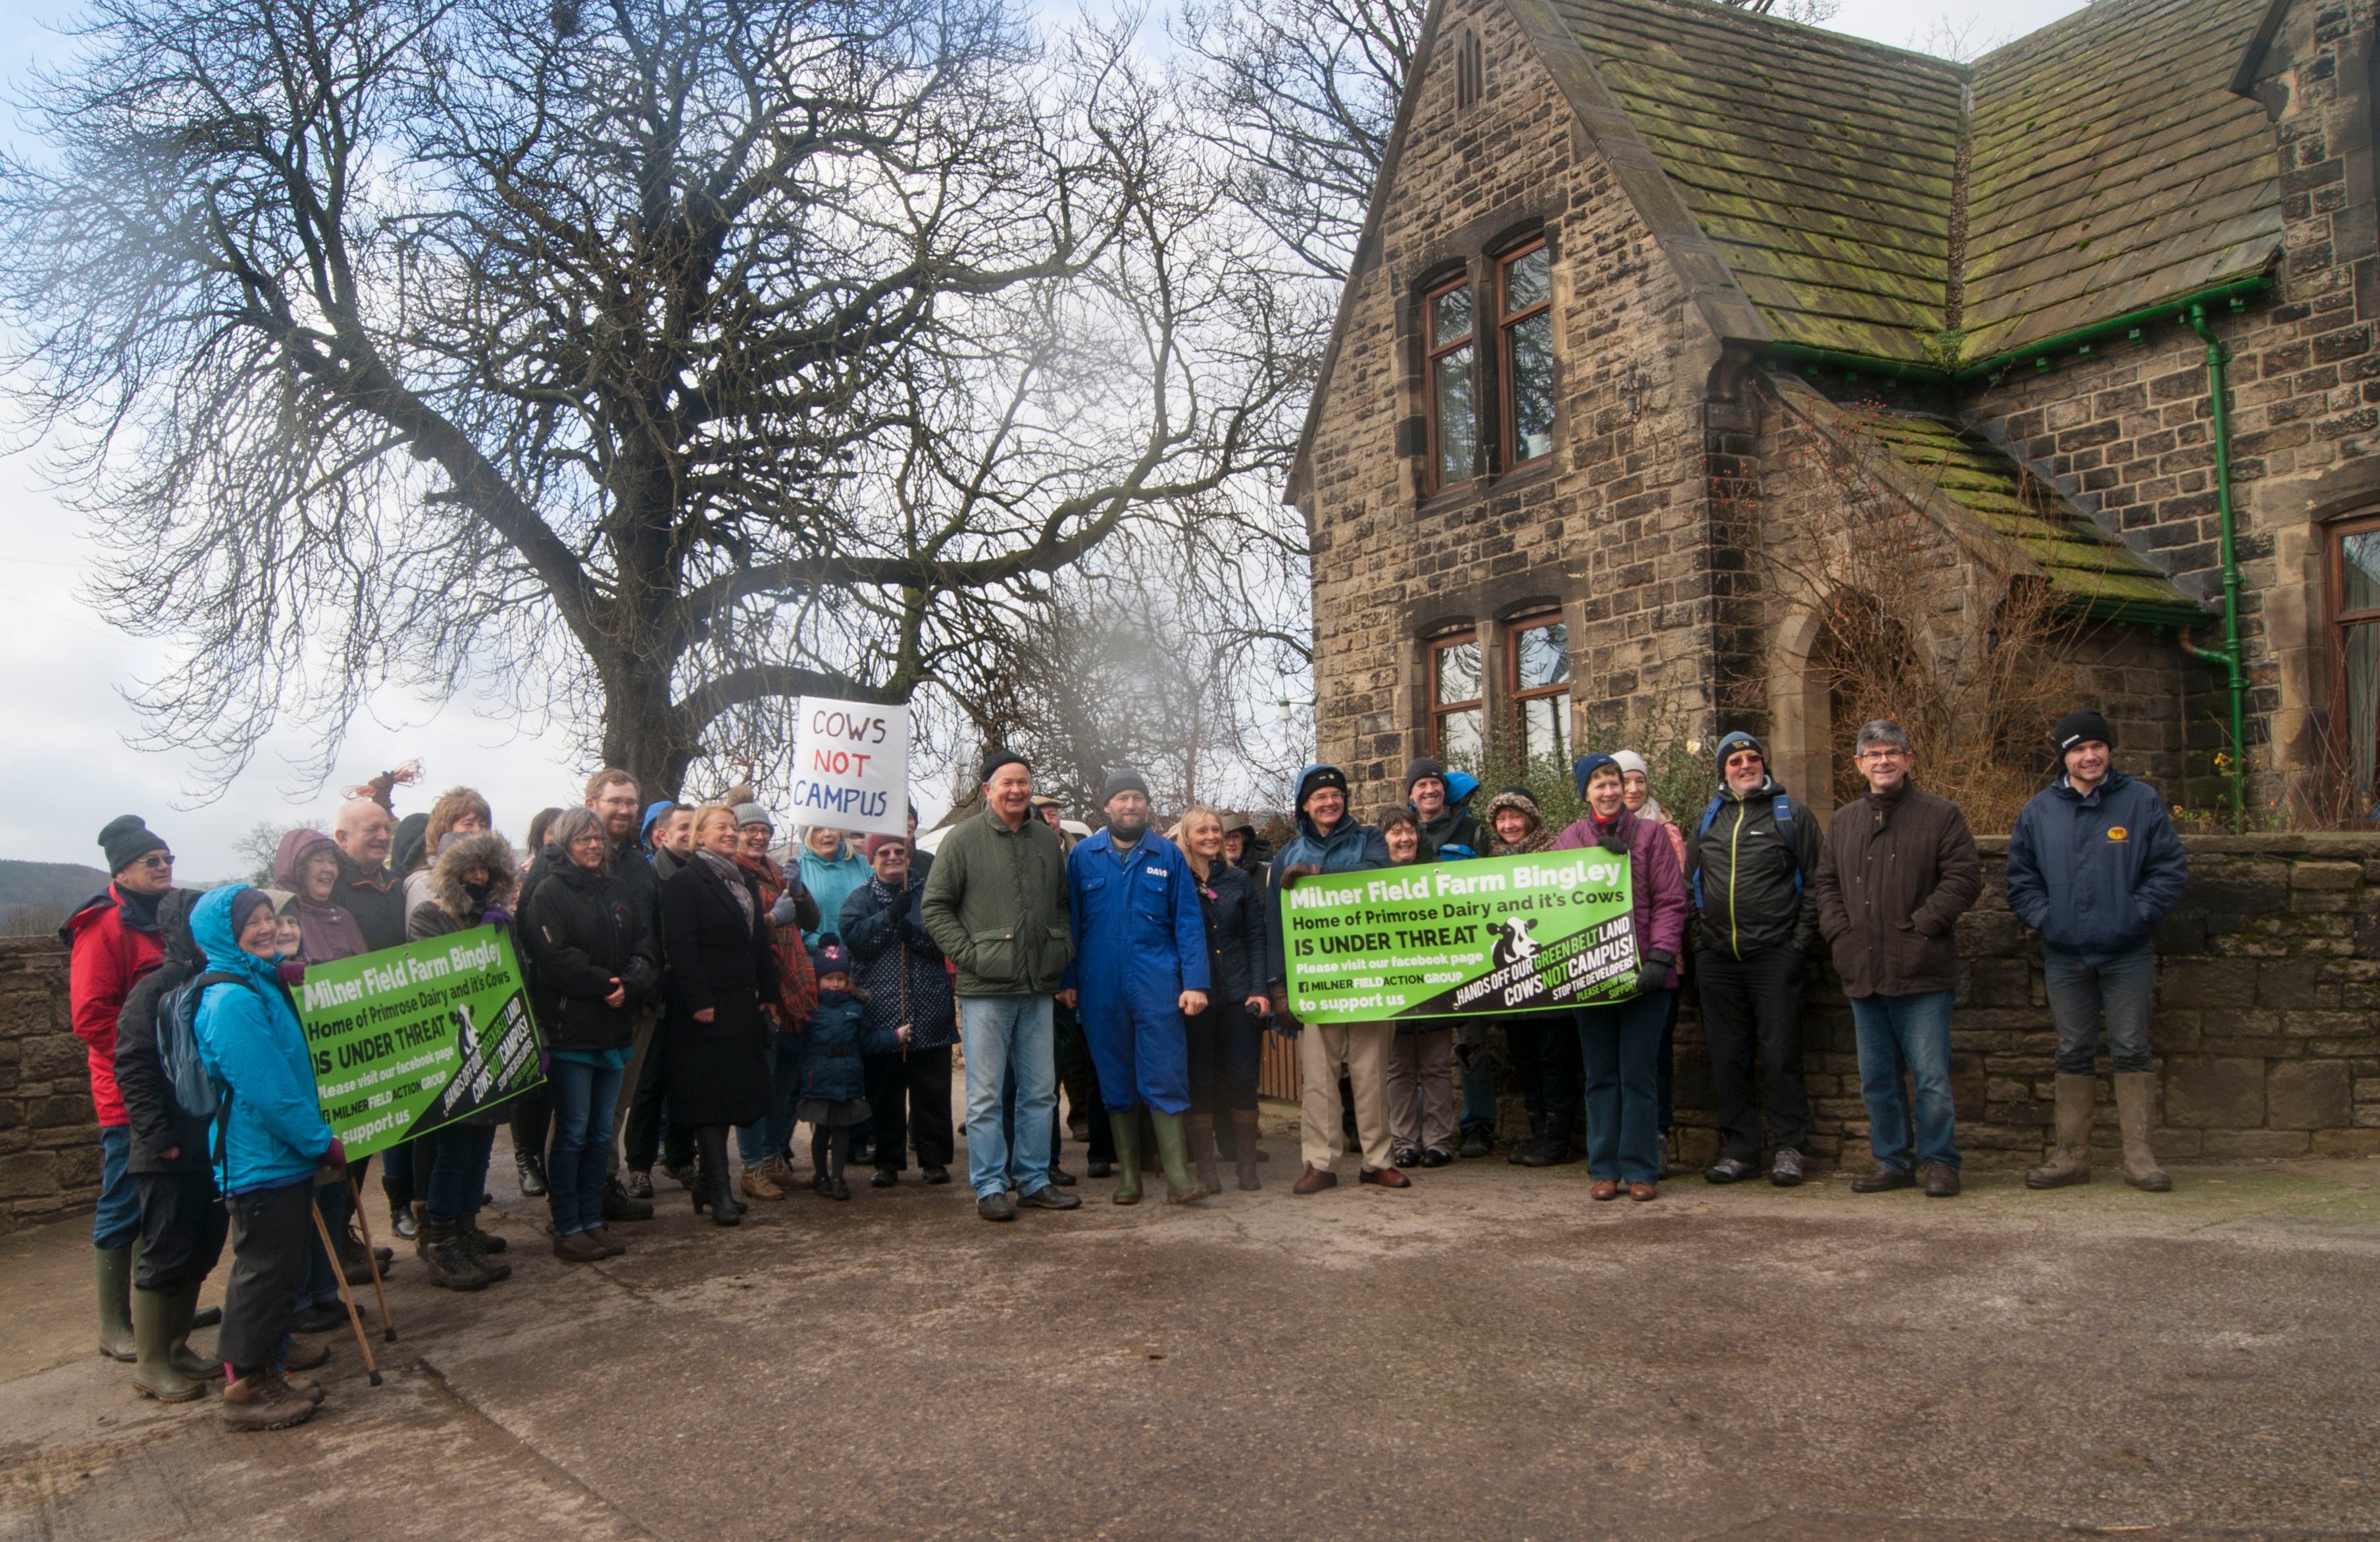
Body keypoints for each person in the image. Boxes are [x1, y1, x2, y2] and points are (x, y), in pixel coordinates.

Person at [2007, 709, 2188, 1193]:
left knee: (2131, 1046)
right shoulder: (2037, 812)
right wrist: (2049, 920)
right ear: (2063, 756)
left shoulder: (2140, 802)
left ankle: (2139, 1156)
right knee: (2072, 1048)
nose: (2089, 756)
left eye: (2097, 747)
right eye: (2078, 749)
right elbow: (2021, 880)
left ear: (2108, 750)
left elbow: (2168, 871)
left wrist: (2134, 914)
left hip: (2126, 950)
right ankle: (2070, 1156)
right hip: (2065, 954)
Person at [1811, 721, 1984, 1198]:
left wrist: (1924, 924)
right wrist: (1838, 933)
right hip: (1862, 971)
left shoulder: (1940, 815)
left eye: (1891, 752)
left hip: (1922, 971)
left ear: (1908, 759)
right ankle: (1892, 1160)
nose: (1882, 761)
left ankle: (1939, 1161)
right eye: (1873, 754)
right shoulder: (1844, 821)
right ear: (1858, 764)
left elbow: (1965, 877)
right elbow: (1824, 882)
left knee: (1931, 1077)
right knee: (1876, 1079)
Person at [188, 885, 336, 1432]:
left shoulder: (259, 983)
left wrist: (283, 981)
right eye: (252, 922)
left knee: (282, 1272)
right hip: (260, 1159)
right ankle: (245, 1387)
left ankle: (269, 1372)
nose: (267, 928)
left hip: (282, 1156)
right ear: (223, 935)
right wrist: (321, 1142)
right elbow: (269, 1090)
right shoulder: (231, 1001)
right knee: (263, 1272)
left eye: (270, 917)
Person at [921, 750, 1083, 1222]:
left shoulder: (1044, 840)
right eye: (1007, 782)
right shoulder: (962, 838)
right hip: (985, 990)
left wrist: (1061, 946)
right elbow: (935, 906)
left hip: (1037, 986)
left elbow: (1060, 904)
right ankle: (990, 1185)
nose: (1017, 790)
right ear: (988, 788)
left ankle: (1033, 1179)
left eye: (1024, 782)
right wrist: (970, 956)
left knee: (1039, 1092)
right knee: (986, 1095)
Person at [59, 815, 182, 1366]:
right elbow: (91, 1017)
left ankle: (155, 1303)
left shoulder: (168, 917)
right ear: (123, 870)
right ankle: (114, 1325)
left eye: (167, 858)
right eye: (150, 861)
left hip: (174, 1083)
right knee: (124, 1197)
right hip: (128, 1090)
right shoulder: (103, 926)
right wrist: (147, 1062)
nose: (162, 867)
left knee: (165, 1198)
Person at [1060, 770, 1213, 1206]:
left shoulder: (1167, 856)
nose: (1131, 805)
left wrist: (1195, 982)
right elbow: (1071, 923)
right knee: (1114, 1077)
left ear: (1147, 805)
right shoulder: (1084, 856)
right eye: (1122, 798)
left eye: (1138, 798)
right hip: (1099, 984)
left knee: (1165, 1072)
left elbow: (1188, 922)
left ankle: (1179, 1177)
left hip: (1157, 983)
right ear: (1106, 807)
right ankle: (1129, 1176)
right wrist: (1068, 980)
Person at [521, 808, 661, 1262]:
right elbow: (555, 958)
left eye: (597, 838)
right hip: (572, 1032)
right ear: (564, 843)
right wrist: (606, 984)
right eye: (582, 839)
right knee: (574, 1131)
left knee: (601, 1133)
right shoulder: (548, 892)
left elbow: (644, 942)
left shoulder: (616, 889)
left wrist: (632, 980)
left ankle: (591, 1218)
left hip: (614, 1028)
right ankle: (567, 1224)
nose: (593, 845)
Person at [1688, 731, 1825, 1187]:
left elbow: (1818, 881)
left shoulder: (1790, 814)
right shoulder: (1709, 818)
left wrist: (1797, 945)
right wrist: (1700, 940)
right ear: (1722, 770)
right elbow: (1691, 882)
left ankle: (1788, 1147)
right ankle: (1741, 1150)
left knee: (1780, 1052)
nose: (1745, 765)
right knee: (1728, 1057)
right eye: (1735, 761)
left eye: (1752, 758)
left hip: (1773, 955)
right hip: (1718, 959)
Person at [108, 889, 228, 1401]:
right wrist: (158, 1138)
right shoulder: (152, 990)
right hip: (169, 1151)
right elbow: (132, 1066)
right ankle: (151, 1363)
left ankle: (177, 1346)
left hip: (207, 1146)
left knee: (201, 1246)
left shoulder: (212, 982)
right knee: (165, 1249)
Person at [1555, 754, 1692, 1201]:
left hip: (1645, 975)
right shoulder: (1569, 840)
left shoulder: (1651, 836)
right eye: (1598, 784)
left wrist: (1658, 957)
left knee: (1638, 1074)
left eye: (1614, 781)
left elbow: (1672, 901)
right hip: (1589, 974)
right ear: (1585, 793)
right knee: (1600, 1075)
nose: (1609, 791)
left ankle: (1640, 1169)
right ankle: (1604, 1168)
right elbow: (1551, 900)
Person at [1265, 763, 1405, 1194]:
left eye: (1336, 794)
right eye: (1319, 796)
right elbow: (1275, 925)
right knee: (1318, 1079)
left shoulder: (1370, 839)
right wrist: (1279, 987)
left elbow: (1381, 876)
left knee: (1370, 1071)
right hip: (1315, 980)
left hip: (1368, 976)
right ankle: (1320, 1162)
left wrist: (1321, 875)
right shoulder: (1286, 855)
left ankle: (1377, 1158)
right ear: (1304, 805)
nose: (1330, 801)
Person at [405, 831, 522, 1289]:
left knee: (480, 1150)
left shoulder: (499, 917)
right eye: (469, 870)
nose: (478, 878)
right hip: (455, 1046)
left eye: (485, 870)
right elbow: (444, 977)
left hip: (496, 1041)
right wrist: (482, 936)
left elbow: (515, 975)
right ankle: (442, 1238)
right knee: (454, 1149)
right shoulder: (428, 916)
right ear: (450, 873)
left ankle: (468, 1227)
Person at [266, 827, 374, 1322]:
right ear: (295, 866)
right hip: (303, 1073)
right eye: (316, 862)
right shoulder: (277, 913)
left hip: (348, 1070)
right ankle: (303, 1295)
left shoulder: (343, 916)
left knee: (339, 1183)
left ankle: (326, 1286)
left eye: (331, 861)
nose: (327, 870)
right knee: (307, 1189)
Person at [658, 804, 782, 1225]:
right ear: (698, 835)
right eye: (722, 828)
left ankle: (709, 1185)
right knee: (709, 1101)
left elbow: (759, 941)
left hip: (740, 1004)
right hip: (704, 1009)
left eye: (734, 827)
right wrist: (699, 1001)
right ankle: (719, 1189)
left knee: (733, 1096)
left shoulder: (742, 879)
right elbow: (682, 947)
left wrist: (768, 991)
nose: (731, 833)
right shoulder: (684, 883)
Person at [841, 833, 959, 1187]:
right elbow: (855, 942)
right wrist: (890, 918)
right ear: (871, 859)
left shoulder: (930, 892)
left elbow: (946, 940)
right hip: (880, 1011)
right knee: (884, 1092)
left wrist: (916, 934)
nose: (893, 857)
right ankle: (888, 1161)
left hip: (930, 1007)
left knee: (932, 1091)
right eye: (885, 852)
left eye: (900, 851)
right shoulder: (860, 898)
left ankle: (934, 1159)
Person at [1481, 786, 1582, 1168]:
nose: (1508, 825)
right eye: (1501, 819)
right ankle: (1539, 1135)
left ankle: (1557, 1141)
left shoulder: (1558, 853)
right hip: (1510, 985)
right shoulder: (1489, 863)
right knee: (1525, 1061)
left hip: (1552, 980)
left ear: (1531, 819)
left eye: (1515, 817)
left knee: (1554, 1060)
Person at [1177, 806, 1271, 1192]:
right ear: (1187, 835)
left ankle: (1246, 1166)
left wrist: (1260, 990)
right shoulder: (1177, 881)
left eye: (1216, 829)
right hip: (1197, 998)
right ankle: (1206, 1170)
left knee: (1243, 1077)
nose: (1213, 836)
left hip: (1238, 994)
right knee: (1199, 1080)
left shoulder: (1237, 882)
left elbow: (1256, 938)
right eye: (1203, 830)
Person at [731, 800, 820, 1202]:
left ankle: (772, 1160)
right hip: (762, 992)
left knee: (784, 1085)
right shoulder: (731, 875)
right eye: (750, 830)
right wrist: (771, 920)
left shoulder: (774, 871)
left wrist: (798, 893)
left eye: (764, 830)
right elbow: (734, 936)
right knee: (758, 1085)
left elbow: (812, 922)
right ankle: (751, 1167)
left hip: (794, 991)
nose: (758, 836)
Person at [1612, 751, 1689, 1171]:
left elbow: (1672, 899)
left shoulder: (1665, 832)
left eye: (1640, 781)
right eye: (1626, 781)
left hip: (1659, 964)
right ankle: (1623, 1144)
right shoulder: (1591, 835)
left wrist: (1663, 957)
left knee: (1655, 1056)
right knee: (1616, 1063)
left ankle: (1655, 1140)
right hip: (1610, 964)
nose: (1634, 789)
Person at [792, 940, 910, 1199]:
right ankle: (820, 1176)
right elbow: (798, 1045)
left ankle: (838, 1178)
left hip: (847, 1080)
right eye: (829, 979)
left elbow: (868, 1042)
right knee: (821, 1130)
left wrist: (895, 1037)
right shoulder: (810, 1011)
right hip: (819, 1081)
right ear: (818, 980)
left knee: (842, 1131)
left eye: (841, 979)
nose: (835, 984)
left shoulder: (855, 1010)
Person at [1378, 808, 1458, 1169]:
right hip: (1391, 989)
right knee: (1398, 1071)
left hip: (1436, 986)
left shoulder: (1441, 872)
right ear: (1384, 840)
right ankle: (1404, 1142)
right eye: (1395, 832)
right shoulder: (1370, 878)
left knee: (1438, 1068)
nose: (1404, 838)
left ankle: (1440, 1141)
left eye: (1409, 831)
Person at [331, 798, 407, 951]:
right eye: (372, 829)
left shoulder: (397, 886)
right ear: (343, 838)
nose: (384, 837)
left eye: (387, 829)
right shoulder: (332, 891)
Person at [796, 823, 869, 947]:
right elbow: (794, 922)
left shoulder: (865, 864)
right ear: (807, 836)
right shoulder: (796, 871)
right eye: (818, 830)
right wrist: (820, 944)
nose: (828, 834)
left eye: (832, 827)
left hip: (865, 957)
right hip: (818, 960)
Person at [1406, 756, 1484, 858]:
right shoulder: (1402, 835)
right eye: (1422, 785)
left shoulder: (1472, 830)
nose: (1430, 790)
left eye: (1435, 783)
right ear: (1411, 795)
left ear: (1444, 789)